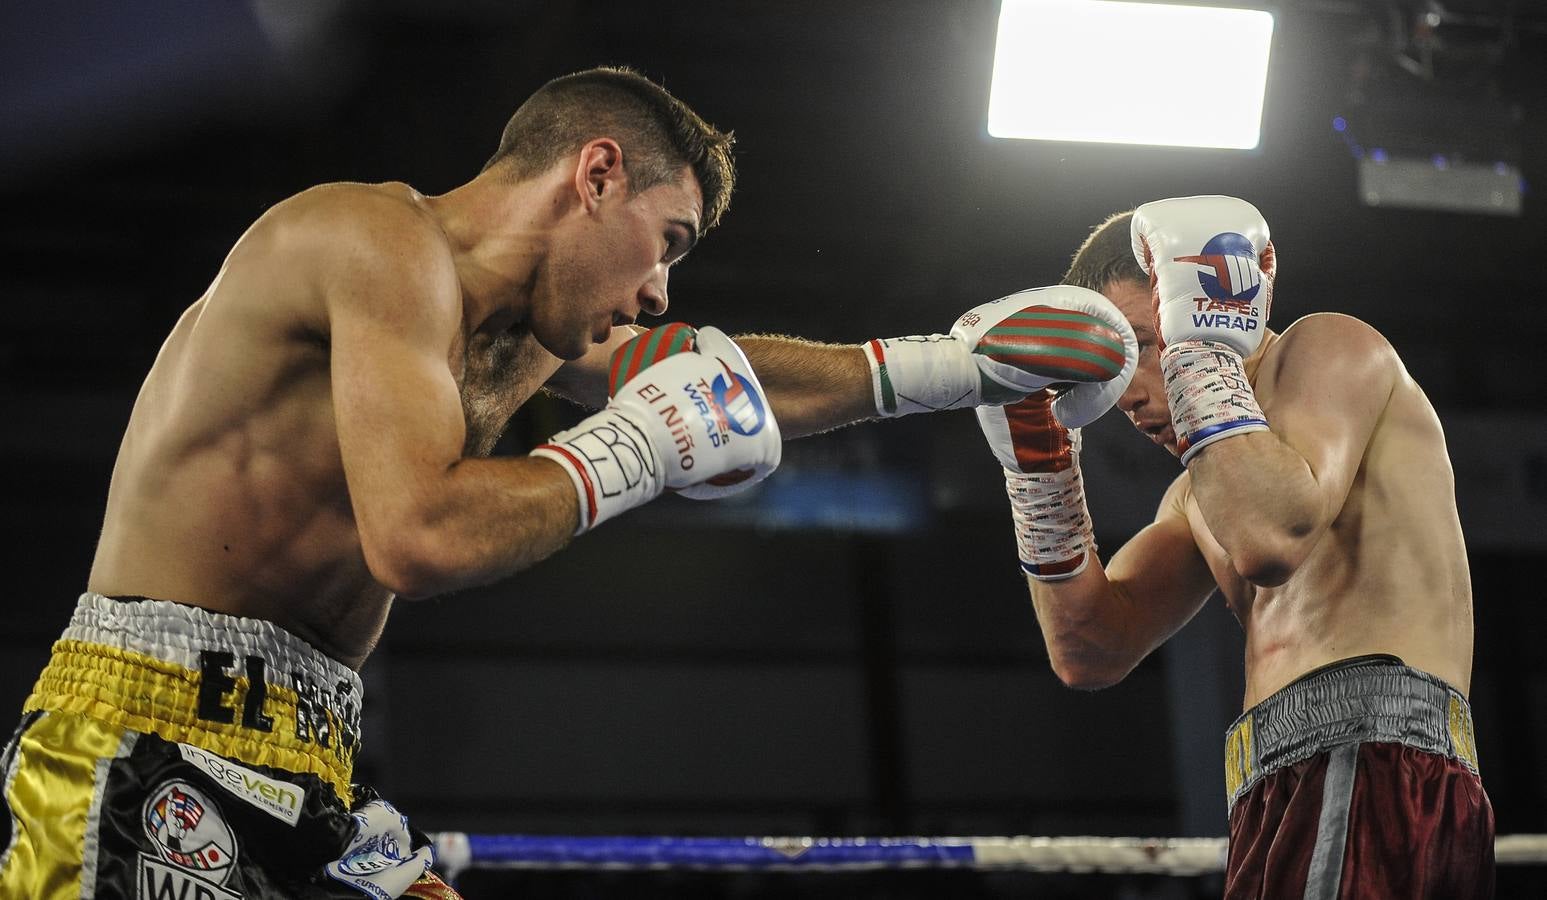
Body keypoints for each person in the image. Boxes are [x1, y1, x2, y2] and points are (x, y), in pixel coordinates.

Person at [0, 66, 1137, 899]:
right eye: (667, 240)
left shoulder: (526, 337)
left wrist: (949, 366)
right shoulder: (368, 243)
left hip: (311, 762)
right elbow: (418, 539)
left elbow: (721, 376)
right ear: (597, 174)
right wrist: (630, 451)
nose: (655, 289)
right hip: (143, 735)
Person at [975, 195, 1494, 898]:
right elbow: (1087, 649)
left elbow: (1271, 537)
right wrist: (1039, 472)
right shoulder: (1195, 497)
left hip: (1374, 753)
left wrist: (1194, 348)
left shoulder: (1326, 348)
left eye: (1146, 342)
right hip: (1267, 784)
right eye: (1106, 371)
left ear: (1214, 303)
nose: (1127, 394)